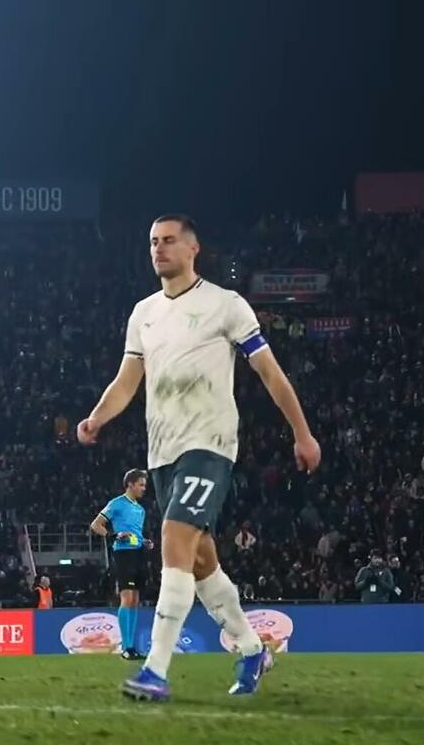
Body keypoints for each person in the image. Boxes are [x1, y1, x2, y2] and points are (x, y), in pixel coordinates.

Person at [78, 214, 321, 701]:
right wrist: (97, 417)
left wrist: (302, 433)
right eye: (153, 241)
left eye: (169, 240)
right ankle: (252, 649)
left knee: (173, 538)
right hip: (162, 453)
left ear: (193, 249)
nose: (159, 249)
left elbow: (270, 373)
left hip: (209, 445)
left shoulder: (225, 305)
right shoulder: (144, 313)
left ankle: (155, 669)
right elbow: (128, 381)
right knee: (202, 560)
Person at [89, 468, 155, 660]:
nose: (144, 489)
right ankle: (126, 648)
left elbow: (136, 533)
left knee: (135, 599)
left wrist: (144, 541)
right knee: (127, 598)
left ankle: (131, 647)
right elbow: (96, 525)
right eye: (141, 485)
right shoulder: (116, 503)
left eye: (144, 485)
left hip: (138, 553)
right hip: (123, 554)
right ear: (130, 484)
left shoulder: (140, 509)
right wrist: (114, 535)